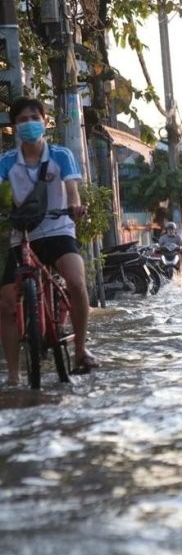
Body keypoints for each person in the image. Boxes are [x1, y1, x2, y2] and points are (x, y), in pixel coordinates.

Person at [0, 96, 99, 382]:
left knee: (76, 281)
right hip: (23, 236)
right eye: (22, 120)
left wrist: (75, 207)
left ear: (45, 122)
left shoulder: (61, 155)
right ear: (14, 126)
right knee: (6, 303)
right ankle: (14, 374)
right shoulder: (6, 161)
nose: (29, 124)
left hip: (58, 230)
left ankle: (80, 350)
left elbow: (72, 191)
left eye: (35, 118)